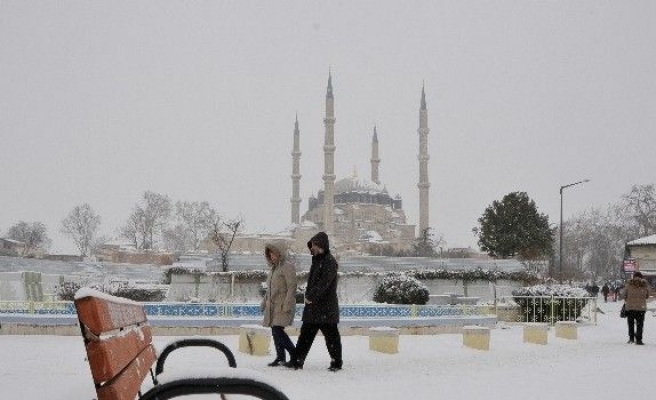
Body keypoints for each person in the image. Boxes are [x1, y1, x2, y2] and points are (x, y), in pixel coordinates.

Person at [286, 231, 343, 371]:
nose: (312, 249)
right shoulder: (316, 260)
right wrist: (309, 297)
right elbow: (314, 283)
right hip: (313, 308)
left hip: (326, 308)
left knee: (332, 338)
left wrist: (310, 296)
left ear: (321, 245)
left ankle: (336, 363)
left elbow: (324, 283)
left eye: (314, 246)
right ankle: (297, 361)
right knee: (305, 336)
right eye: (311, 246)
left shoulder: (330, 262)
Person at [261, 241, 298, 366]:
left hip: (283, 304)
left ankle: (295, 355)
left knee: (277, 330)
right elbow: (270, 289)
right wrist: (264, 302)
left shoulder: (287, 266)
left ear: (280, 253)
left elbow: (292, 286)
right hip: (273, 305)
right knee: (275, 330)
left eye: (274, 253)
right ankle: (280, 357)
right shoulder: (273, 269)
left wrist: (288, 304)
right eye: (270, 254)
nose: (272, 256)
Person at [622, 271, 650, 345]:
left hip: (630, 308)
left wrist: (628, 299)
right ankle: (639, 340)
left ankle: (631, 339)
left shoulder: (629, 284)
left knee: (631, 324)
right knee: (640, 324)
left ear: (633, 276)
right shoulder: (644, 285)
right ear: (641, 277)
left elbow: (624, 294)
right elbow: (647, 296)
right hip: (641, 308)